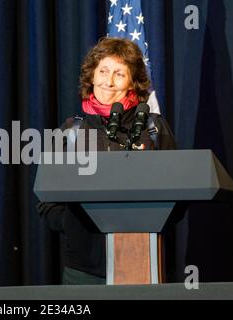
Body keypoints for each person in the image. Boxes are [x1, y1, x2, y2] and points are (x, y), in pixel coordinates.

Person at [36, 37, 177, 285]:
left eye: (119, 74)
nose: (108, 82)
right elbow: (46, 201)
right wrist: (75, 226)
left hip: (142, 261)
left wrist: (155, 222)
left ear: (133, 82)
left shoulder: (154, 128)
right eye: (103, 71)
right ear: (91, 76)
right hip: (83, 268)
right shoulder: (70, 131)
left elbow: (180, 191)